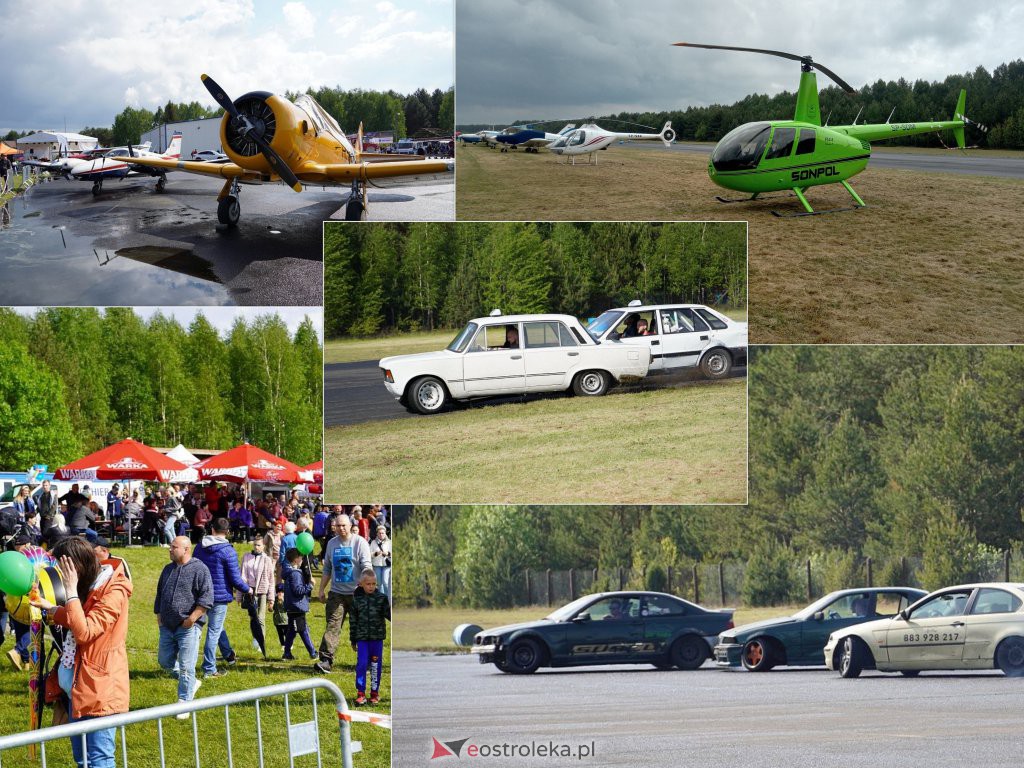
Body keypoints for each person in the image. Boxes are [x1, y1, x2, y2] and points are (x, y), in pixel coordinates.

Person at [30, 536, 132, 768]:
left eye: (62, 568)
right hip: (78, 690)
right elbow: (79, 620)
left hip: (99, 690)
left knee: (98, 760)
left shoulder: (113, 591)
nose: (58, 573)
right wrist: (53, 609)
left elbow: (85, 631)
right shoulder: (90, 586)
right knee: (82, 759)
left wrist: (71, 591)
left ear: (75, 566)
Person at [155, 536, 213, 718]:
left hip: (188, 627)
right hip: (167, 626)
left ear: (186, 549)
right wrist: (159, 616)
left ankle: (184, 704)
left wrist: (192, 619)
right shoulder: (168, 569)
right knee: (165, 662)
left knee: (187, 667)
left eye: (174, 547)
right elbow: (160, 594)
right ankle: (191, 682)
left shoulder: (199, 569)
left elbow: (206, 597)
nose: (170, 550)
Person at [194, 518, 252, 677]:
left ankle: (228, 654)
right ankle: (209, 669)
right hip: (218, 596)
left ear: (212, 529)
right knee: (213, 631)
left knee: (215, 627)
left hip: (199, 594)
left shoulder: (199, 547)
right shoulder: (228, 551)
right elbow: (235, 578)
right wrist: (248, 589)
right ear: (227, 532)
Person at [314, 514, 371, 674]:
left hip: (357, 593)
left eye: (344, 525)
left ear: (350, 525)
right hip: (337, 593)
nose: (341, 528)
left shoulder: (360, 542)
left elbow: (367, 565)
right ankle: (326, 660)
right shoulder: (332, 544)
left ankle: (364, 661)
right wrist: (321, 589)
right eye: (338, 526)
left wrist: (365, 583)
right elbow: (327, 569)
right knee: (332, 626)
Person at [349, 569, 390, 706]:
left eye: (373, 584)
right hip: (362, 639)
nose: (371, 587)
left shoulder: (381, 599)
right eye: (368, 584)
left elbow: (390, 615)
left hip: (376, 639)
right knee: (361, 664)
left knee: (375, 665)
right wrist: (353, 639)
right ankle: (361, 693)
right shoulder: (356, 600)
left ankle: (374, 692)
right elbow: (353, 621)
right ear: (361, 584)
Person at [239, 538, 275, 656]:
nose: (256, 547)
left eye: (259, 545)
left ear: (263, 546)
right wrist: (239, 595)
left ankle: (261, 641)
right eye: (255, 545)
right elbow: (242, 576)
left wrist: (271, 598)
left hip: (262, 591)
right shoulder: (246, 557)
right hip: (249, 591)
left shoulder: (267, 560)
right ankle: (255, 638)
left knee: (261, 617)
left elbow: (271, 579)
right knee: (253, 617)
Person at [281, 548, 317, 660]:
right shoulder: (295, 574)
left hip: (293, 606)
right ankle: (313, 653)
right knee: (303, 630)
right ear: (296, 560)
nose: (302, 559)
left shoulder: (290, 572)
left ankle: (287, 654)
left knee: (292, 631)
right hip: (297, 607)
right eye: (301, 557)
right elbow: (298, 591)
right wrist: (310, 585)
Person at [370, 526, 392, 599]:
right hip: (377, 565)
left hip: (386, 565)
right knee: (379, 583)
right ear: (377, 534)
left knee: (385, 582)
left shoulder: (389, 542)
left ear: (385, 533)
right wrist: (376, 554)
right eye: (380, 533)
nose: (381, 534)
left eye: (383, 533)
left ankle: (387, 598)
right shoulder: (373, 542)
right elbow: (370, 554)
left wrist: (388, 554)